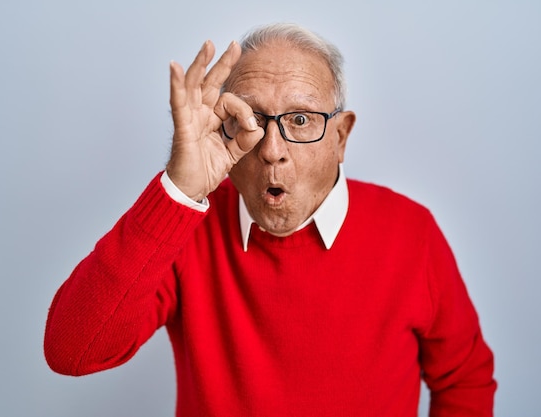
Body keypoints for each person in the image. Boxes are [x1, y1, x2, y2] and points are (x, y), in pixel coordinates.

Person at [44, 22, 496, 416]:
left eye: (300, 119)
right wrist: (178, 192)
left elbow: (464, 379)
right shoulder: (188, 227)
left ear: (340, 136)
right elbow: (73, 351)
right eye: (251, 120)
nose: (271, 149)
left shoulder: (410, 233)